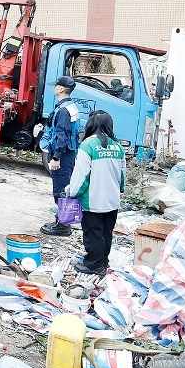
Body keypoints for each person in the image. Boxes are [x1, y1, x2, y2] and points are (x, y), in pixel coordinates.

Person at [66, 111, 126, 275]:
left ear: (90, 125)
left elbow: (81, 175)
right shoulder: (118, 147)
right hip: (112, 200)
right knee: (106, 233)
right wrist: (120, 189)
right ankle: (103, 262)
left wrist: (72, 192)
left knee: (93, 234)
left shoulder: (88, 145)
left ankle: (93, 264)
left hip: (93, 200)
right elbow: (122, 175)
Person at [40, 76, 83, 236]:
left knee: (61, 190)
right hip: (69, 153)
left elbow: (62, 135)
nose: (55, 88)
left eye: (56, 86)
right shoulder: (70, 107)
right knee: (66, 188)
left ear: (61, 89)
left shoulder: (64, 110)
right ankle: (62, 221)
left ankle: (64, 226)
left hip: (63, 155)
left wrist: (56, 157)